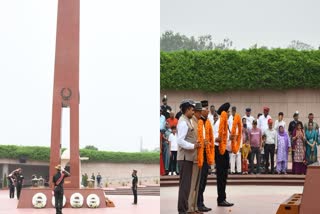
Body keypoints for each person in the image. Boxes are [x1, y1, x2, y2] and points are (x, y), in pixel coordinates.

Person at [176, 99, 201, 214]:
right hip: (185, 158)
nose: (193, 112)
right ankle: (182, 210)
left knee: (186, 186)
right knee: (185, 186)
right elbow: (180, 141)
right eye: (192, 110)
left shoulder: (187, 120)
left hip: (188, 158)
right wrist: (193, 146)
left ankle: (183, 209)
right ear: (187, 110)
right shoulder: (183, 122)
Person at [197, 100, 214, 212]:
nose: (208, 111)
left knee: (204, 180)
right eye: (206, 109)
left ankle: (201, 202)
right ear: (202, 110)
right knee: (200, 180)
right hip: (199, 154)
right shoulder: (198, 121)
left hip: (206, 153)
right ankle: (198, 203)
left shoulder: (207, 122)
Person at [215, 102, 234, 207]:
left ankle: (223, 198)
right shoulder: (218, 123)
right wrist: (227, 138)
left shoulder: (225, 124)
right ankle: (221, 199)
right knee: (221, 176)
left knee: (224, 176)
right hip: (219, 152)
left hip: (225, 151)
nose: (229, 113)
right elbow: (214, 138)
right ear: (223, 113)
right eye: (228, 112)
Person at [187, 101, 203, 213]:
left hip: (200, 157)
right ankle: (189, 207)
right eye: (199, 111)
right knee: (192, 184)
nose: (200, 113)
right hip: (194, 156)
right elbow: (192, 140)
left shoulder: (199, 123)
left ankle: (195, 207)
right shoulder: (191, 123)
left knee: (197, 184)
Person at [229, 106, 241, 174]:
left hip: (238, 137)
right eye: (232, 110)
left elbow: (240, 129)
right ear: (231, 111)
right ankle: (232, 170)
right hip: (232, 137)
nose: (233, 112)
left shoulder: (238, 117)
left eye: (234, 110)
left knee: (238, 155)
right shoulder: (230, 118)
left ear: (235, 111)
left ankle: (239, 170)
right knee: (232, 155)